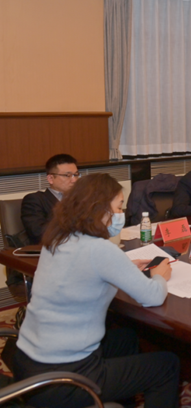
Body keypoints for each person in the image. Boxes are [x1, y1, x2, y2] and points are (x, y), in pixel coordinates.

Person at [13, 173, 180, 408]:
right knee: (167, 365)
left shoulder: (58, 238)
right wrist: (159, 276)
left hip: (28, 363)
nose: (121, 214)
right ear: (99, 209)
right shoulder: (99, 250)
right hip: (64, 380)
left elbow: (81, 271)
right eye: (119, 207)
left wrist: (124, 267)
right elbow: (153, 296)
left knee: (127, 339)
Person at [21, 154, 79, 245]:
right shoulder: (35, 200)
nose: (74, 180)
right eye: (68, 175)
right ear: (50, 178)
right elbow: (38, 232)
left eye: (76, 175)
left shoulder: (82, 198)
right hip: (53, 248)